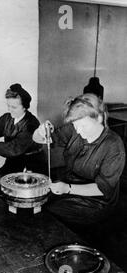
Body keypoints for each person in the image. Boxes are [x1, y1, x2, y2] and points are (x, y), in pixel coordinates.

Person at [33, 93, 125, 230]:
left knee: (48, 213)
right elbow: (39, 139)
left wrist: (68, 189)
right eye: (76, 127)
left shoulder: (113, 146)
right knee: (36, 201)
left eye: (83, 126)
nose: (79, 132)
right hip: (69, 185)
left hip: (96, 201)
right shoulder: (76, 127)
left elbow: (103, 188)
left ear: (99, 118)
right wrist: (41, 132)